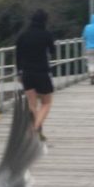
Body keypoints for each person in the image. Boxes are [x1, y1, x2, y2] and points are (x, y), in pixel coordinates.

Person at [15, 9, 55, 141]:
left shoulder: (23, 35)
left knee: (32, 105)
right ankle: (36, 127)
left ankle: (37, 129)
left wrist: (19, 72)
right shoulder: (46, 34)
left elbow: (18, 56)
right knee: (46, 102)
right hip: (42, 72)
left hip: (27, 73)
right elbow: (52, 51)